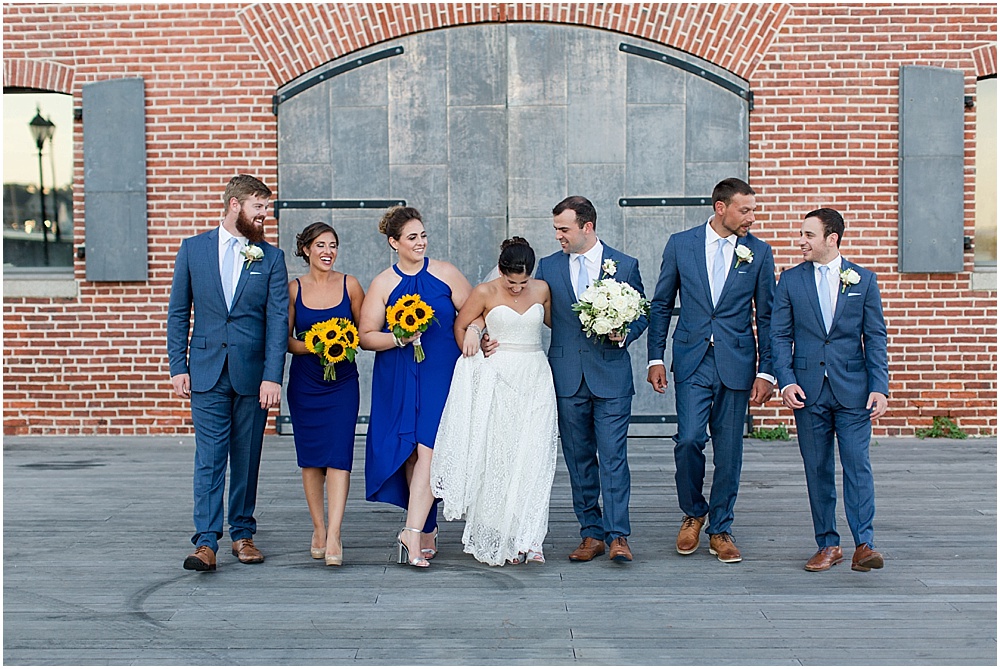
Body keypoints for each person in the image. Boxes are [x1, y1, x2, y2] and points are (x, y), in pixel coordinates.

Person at [646, 177, 775, 564]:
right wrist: (655, 356)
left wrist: (766, 372)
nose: (752, 217)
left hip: (736, 363)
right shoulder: (681, 244)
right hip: (692, 358)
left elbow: (767, 317)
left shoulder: (760, 253)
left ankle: (721, 527)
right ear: (721, 208)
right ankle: (693, 512)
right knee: (688, 440)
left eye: (753, 209)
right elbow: (661, 303)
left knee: (730, 450)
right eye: (745, 209)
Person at [167, 174, 289, 571]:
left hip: (253, 376)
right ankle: (205, 542)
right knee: (210, 456)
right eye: (259, 207)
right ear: (235, 205)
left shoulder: (271, 258)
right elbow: (178, 313)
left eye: (266, 208)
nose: (264, 215)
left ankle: (242, 533)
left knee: (247, 455)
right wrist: (177, 366)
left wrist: (273, 376)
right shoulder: (193, 250)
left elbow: (276, 323)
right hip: (204, 371)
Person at [359, 205, 481, 569]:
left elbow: (477, 310)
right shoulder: (383, 283)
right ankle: (427, 528)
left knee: (429, 451)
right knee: (411, 453)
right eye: (412, 238)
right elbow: (366, 337)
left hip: (439, 374)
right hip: (397, 375)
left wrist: (474, 330)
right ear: (394, 242)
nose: (420, 243)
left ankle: (410, 532)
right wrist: (398, 337)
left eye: (423, 235)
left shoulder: (446, 274)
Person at [771, 208, 888, 573]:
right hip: (808, 392)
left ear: (831, 239)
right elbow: (779, 336)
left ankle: (864, 544)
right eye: (801, 234)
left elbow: (876, 337)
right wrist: (786, 380)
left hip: (853, 391)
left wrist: (880, 387)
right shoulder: (790, 281)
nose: (800, 241)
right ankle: (828, 544)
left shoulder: (864, 280)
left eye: (808, 235)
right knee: (817, 469)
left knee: (857, 465)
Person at [431, 237, 558, 567]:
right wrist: (473, 333)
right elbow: (460, 325)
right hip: (499, 378)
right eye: (511, 282)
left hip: (535, 377)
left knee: (534, 456)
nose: (517, 289)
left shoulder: (542, 290)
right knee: (500, 456)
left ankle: (531, 537)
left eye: (523, 282)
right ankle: (501, 531)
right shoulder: (485, 292)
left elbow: (560, 325)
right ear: (500, 271)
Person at [535, 196, 648, 563]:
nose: (558, 237)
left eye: (564, 229)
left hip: (611, 375)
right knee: (579, 458)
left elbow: (643, 313)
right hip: (567, 376)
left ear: (587, 227)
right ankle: (591, 533)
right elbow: (533, 309)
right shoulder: (548, 266)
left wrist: (625, 333)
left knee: (614, 456)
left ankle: (618, 536)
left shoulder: (625, 264)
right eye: (555, 230)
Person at [286, 222, 365, 566]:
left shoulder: (351, 286)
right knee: (311, 458)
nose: (327, 252)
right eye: (320, 245)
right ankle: (318, 528)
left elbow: (364, 332)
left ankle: (334, 533)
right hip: (306, 382)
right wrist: (315, 344)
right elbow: (284, 339)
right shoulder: (293, 289)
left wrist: (342, 343)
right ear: (306, 250)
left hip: (343, 382)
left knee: (339, 455)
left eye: (332, 245)